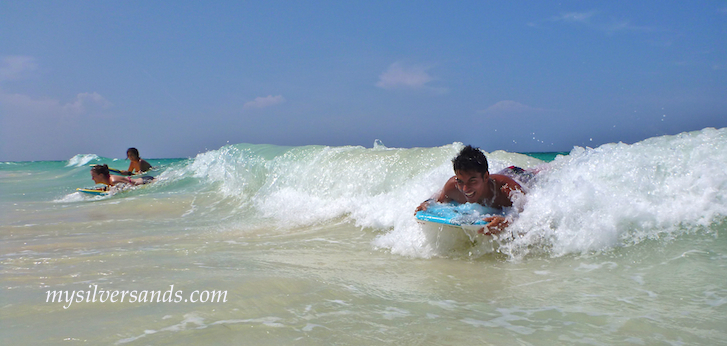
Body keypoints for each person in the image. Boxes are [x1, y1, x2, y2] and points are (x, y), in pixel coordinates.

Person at [415, 145, 526, 235]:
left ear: (486, 177)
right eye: (460, 181)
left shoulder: (506, 189)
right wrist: (428, 202)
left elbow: (529, 213)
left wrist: (508, 221)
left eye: (472, 181)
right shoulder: (453, 186)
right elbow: (439, 199)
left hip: (518, 175)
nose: (465, 189)